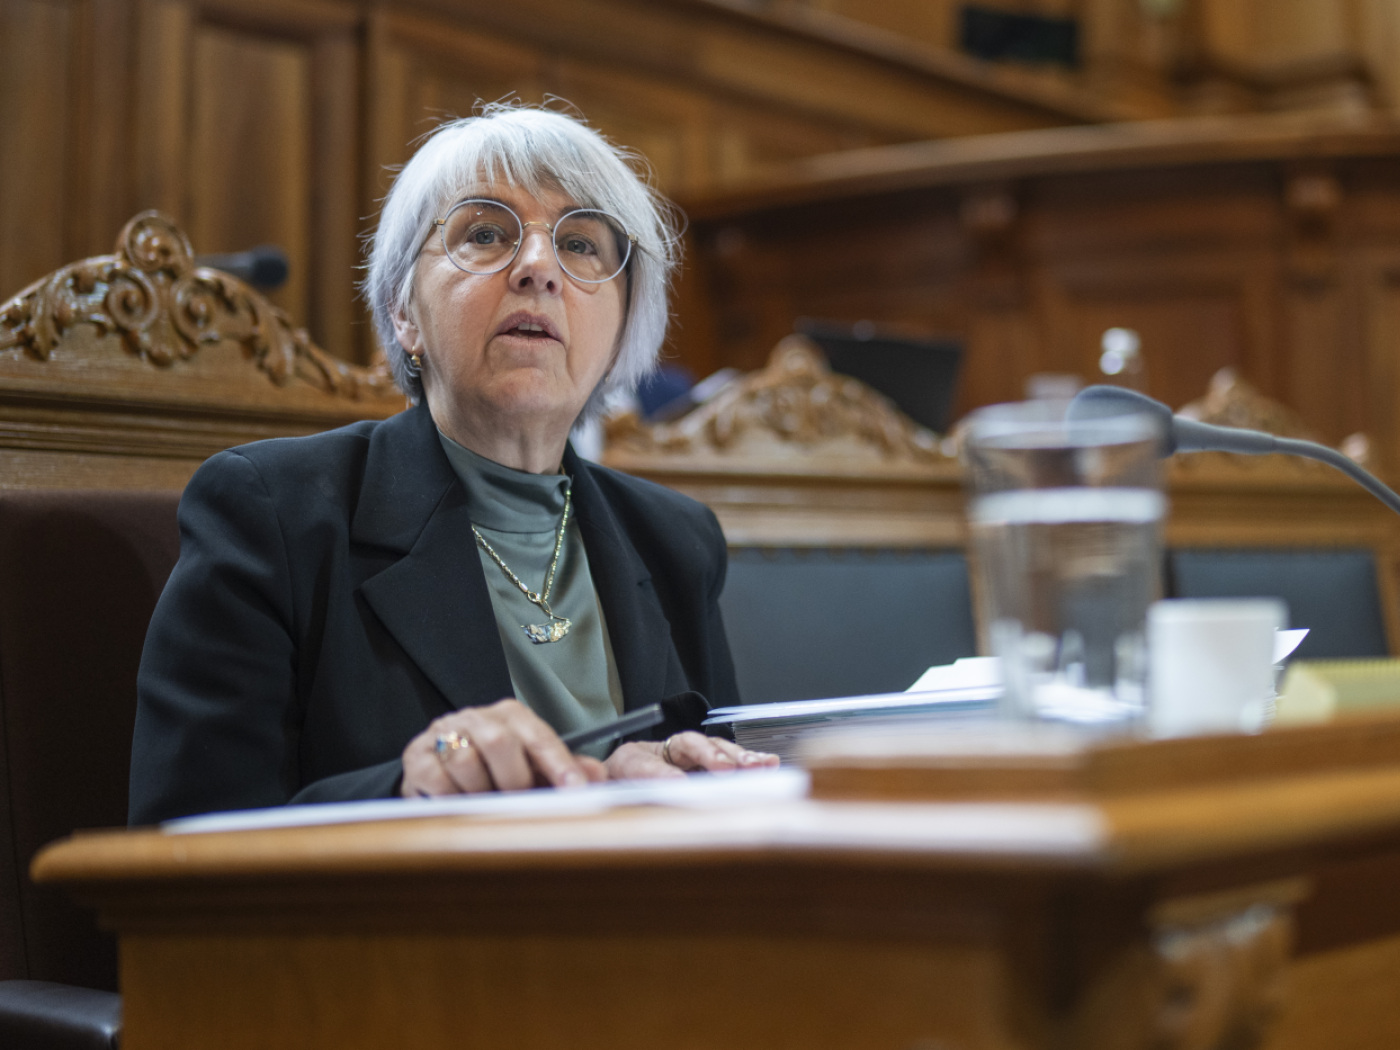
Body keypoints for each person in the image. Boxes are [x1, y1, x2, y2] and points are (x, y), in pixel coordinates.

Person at [128, 104, 776, 826]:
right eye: (486, 234)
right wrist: (410, 790)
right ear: (404, 311)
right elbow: (181, 840)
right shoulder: (271, 515)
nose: (538, 268)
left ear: (623, 326)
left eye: (581, 244)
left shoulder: (677, 540)